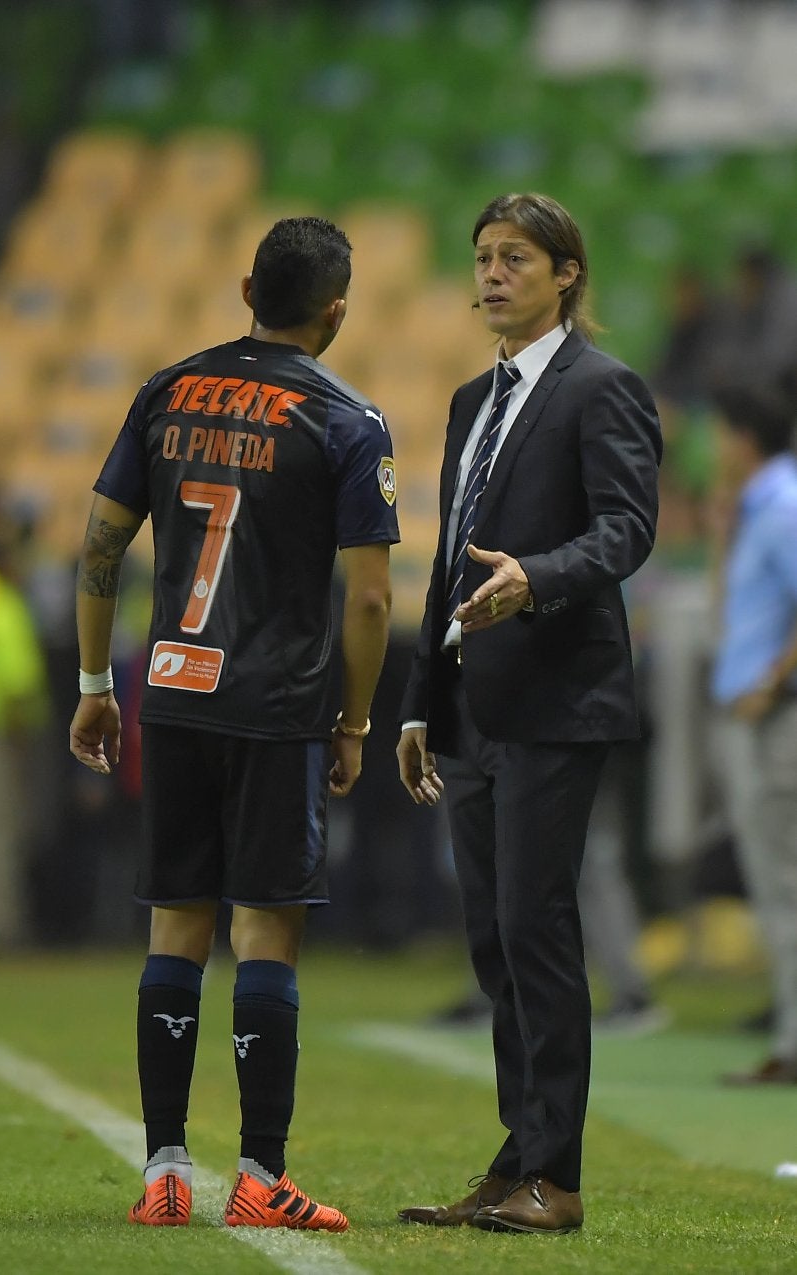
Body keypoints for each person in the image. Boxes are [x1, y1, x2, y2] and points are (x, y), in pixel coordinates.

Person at [69, 216, 398, 1230]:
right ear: (334, 309)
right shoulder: (348, 420)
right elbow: (374, 602)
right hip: (275, 706)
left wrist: (94, 682)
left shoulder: (165, 391)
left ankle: (163, 1170)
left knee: (176, 926)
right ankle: (261, 1175)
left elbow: (98, 544)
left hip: (173, 691)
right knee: (264, 932)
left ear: (246, 285)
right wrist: (353, 724)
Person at [396, 192, 661, 1236]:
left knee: (534, 929)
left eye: (515, 257)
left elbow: (626, 530)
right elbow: (449, 548)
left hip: (558, 695)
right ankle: (517, 1163)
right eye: (483, 256)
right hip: (474, 699)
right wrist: (421, 696)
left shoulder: (604, 389)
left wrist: (536, 579)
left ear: (565, 275)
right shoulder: (474, 398)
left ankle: (556, 1175)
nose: (493, 272)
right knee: (494, 942)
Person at [707, 383, 797, 1085]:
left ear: (743, 438)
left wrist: (771, 679)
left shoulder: (783, 503)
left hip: (775, 719)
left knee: (784, 886)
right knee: (776, 886)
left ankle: (794, 1044)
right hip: (758, 714)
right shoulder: (757, 505)